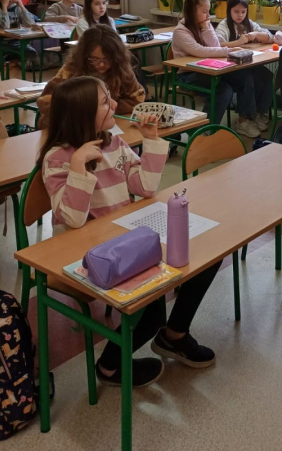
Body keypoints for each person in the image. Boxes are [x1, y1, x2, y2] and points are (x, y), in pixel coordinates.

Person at [38, 76, 220, 386]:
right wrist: (79, 166)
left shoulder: (114, 142)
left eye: (109, 96)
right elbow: (73, 220)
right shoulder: (57, 159)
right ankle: (110, 366)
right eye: (104, 101)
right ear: (82, 114)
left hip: (123, 236)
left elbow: (145, 188)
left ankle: (174, 335)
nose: (114, 104)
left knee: (206, 257)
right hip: (86, 253)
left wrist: (151, 139)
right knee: (151, 311)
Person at [35, 23, 148, 129]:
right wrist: (88, 111)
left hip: (106, 125)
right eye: (94, 59)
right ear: (84, 56)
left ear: (117, 57)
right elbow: (46, 102)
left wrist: (106, 109)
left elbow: (137, 98)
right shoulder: (72, 70)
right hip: (73, 128)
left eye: (107, 59)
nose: (101, 64)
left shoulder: (121, 69)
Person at [214, 0, 282, 137]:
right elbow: (217, 45)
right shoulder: (224, 25)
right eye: (236, 11)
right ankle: (243, 120)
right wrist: (237, 43)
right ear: (229, 10)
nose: (240, 15)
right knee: (247, 79)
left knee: (266, 75)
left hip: (246, 64)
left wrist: (256, 34)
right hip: (228, 68)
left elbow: (270, 37)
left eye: (243, 12)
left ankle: (260, 113)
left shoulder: (249, 23)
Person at [170, 0, 248, 125]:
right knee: (223, 91)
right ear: (192, 11)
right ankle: (206, 129)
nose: (208, 16)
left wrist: (206, 28)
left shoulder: (205, 24)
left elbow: (215, 46)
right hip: (187, 74)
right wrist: (229, 50)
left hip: (208, 69)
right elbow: (200, 51)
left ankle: (245, 121)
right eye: (204, 11)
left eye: (208, 11)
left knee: (244, 78)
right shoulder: (180, 31)